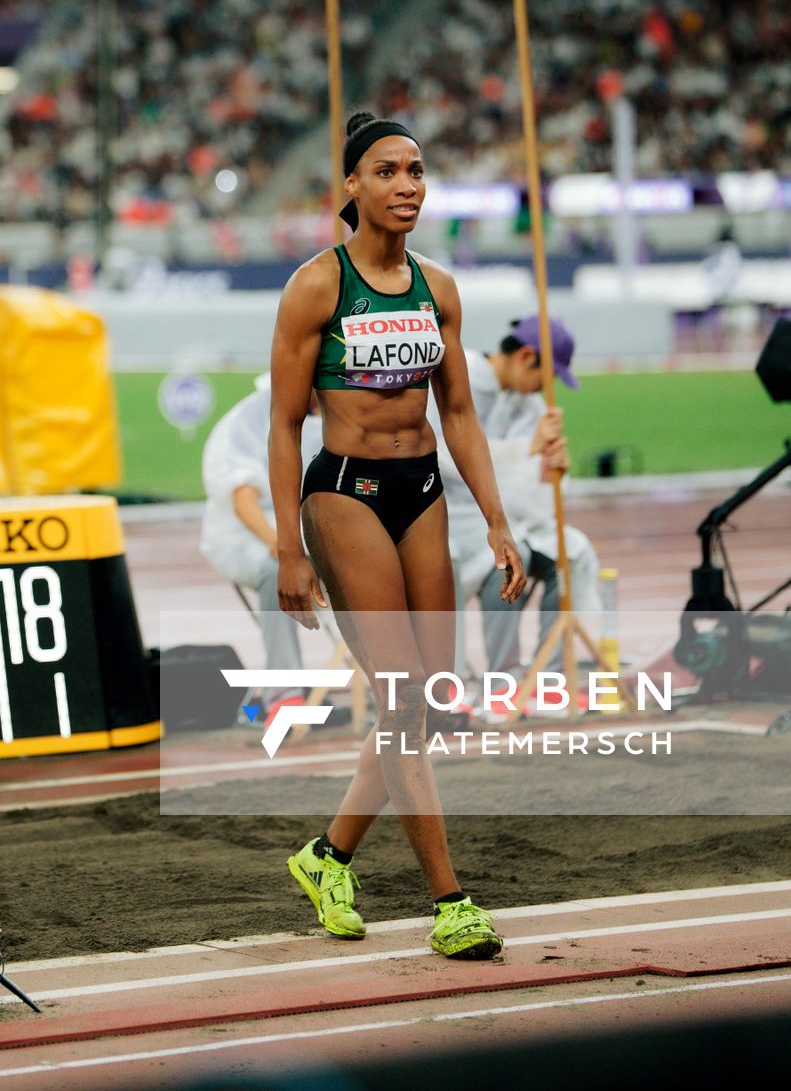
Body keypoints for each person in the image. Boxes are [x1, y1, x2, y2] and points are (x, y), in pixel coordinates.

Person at [269, 111, 527, 961]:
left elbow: (458, 411)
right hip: (344, 494)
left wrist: (497, 518)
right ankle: (450, 903)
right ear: (351, 186)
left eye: (416, 170)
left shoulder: (438, 288)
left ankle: (328, 855)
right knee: (404, 700)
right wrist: (288, 547)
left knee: (426, 700)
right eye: (387, 171)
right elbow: (282, 424)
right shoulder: (318, 286)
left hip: (423, 493)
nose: (407, 185)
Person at [433, 318, 600, 689]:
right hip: (453, 523)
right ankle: (502, 683)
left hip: (514, 520)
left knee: (570, 556)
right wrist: (527, 449)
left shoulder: (531, 405)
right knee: (509, 561)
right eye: (549, 375)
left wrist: (548, 472)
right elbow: (446, 456)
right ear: (526, 357)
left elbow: (533, 494)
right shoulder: (456, 380)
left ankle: (550, 678)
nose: (548, 387)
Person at [199, 379, 322, 669]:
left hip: (316, 534)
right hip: (249, 537)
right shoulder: (248, 421)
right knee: (280, 570)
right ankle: (284, 691)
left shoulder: (343, 414)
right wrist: (279, 543)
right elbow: (242, 497)